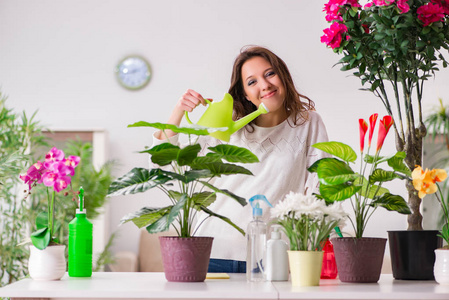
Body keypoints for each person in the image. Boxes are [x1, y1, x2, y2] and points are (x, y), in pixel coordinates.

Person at [153, 46, 329, 273]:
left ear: (283, 76)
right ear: (245, 93)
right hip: (213, 251)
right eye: (252, 81)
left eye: (269, 74)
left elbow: (322, 187)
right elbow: (162, 163)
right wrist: (178, 112)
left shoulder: (308, 123)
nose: (264, 85)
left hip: (273, 257)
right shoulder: (227, 124)